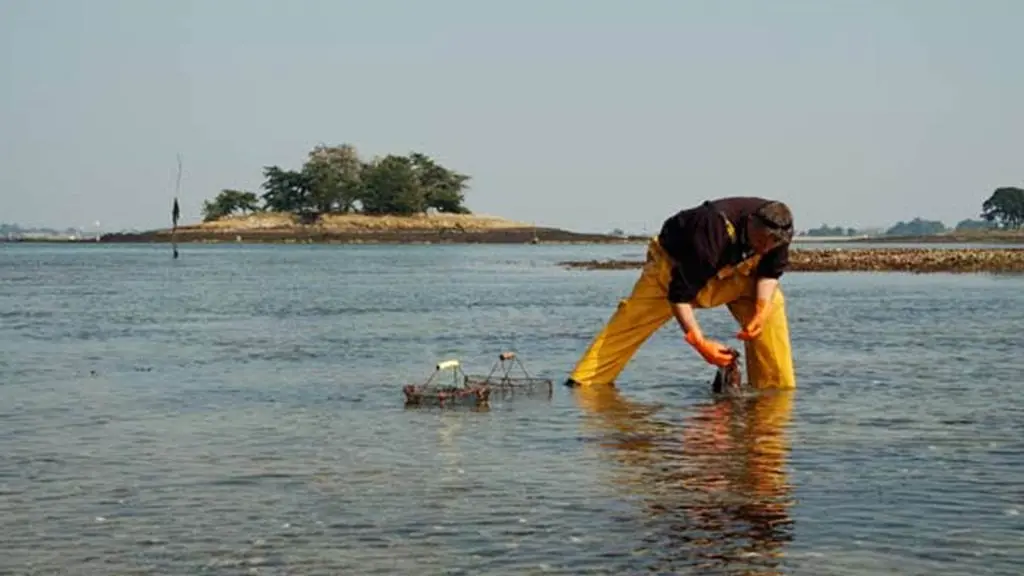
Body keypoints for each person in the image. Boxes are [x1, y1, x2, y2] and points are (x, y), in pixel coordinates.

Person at [565, 196, 797, 390]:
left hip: (733, 276)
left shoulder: (779, 233)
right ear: (751, 223)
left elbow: (768, 274)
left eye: (773, 244)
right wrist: (701, 344)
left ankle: (774, 394)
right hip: (671, 272)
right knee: (629, 323)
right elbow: (679, 295)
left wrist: (760, 310)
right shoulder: (713, 230)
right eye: (761, 241)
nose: (765, 248)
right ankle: (585, 385)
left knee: (772, 304)